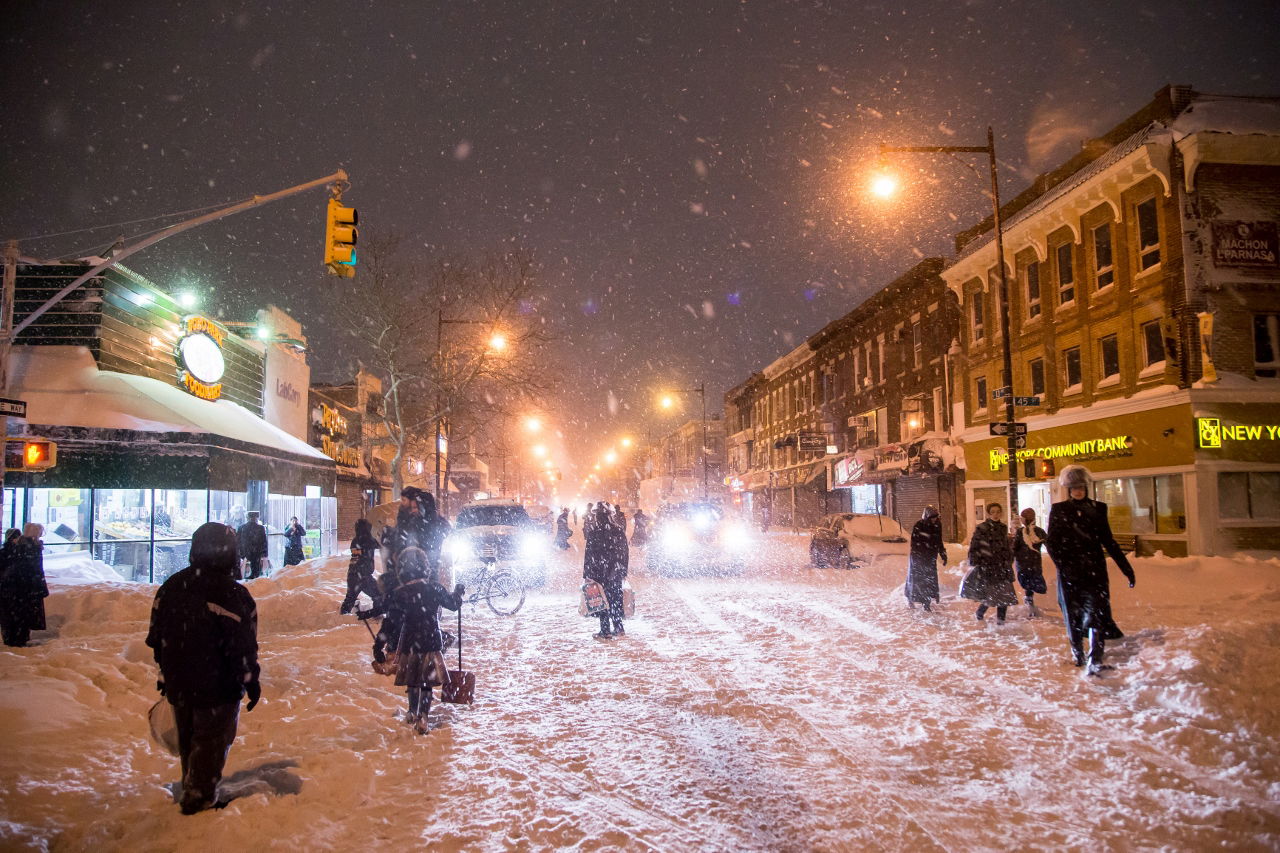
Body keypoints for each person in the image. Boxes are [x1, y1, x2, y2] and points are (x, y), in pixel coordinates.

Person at [145, 522, 260, 815]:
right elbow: (242, 646)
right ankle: (199, 799)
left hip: (179, 683)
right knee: (210, 741)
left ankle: (193, 784)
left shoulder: (171, 587)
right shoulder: (232, 594)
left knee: (189, 738)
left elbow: (156, 637)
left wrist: (166, 672)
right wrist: (250, 679)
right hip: (217, 686)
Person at [1046, 465, 1136, 675]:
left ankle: (1095, 656)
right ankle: (1077, 652)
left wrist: (1126, 568)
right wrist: (1063, 564)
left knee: (1097, 612)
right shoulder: (1060, 510)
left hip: (1094, 569)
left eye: (1081, 486)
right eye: (1074, 487)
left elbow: (1108, 540)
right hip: (1070, 572)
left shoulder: (1098, 508)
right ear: (1068, 489)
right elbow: (1052, 542)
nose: (1078, 491)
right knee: (1073, 612)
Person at [375, 547, 464, 734]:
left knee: (413, 680)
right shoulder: (434, 588)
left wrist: (378, 645)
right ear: (425, 566)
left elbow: (389, 622)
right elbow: (453, 605)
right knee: (426, 682)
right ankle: (423, 716)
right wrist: (458, 592)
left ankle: (411, 711)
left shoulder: (399, 594)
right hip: (430, 641)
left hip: (409, 644)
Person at [961, 503, 1018, 623]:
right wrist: (976, 560)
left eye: (998, 511)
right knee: (990, 594)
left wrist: (1008, 557)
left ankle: (1001, 620)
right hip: (989, 566)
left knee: (1004, 594)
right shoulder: (982, 528)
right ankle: (980, 613)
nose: (996, 514)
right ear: (988, 513)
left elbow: (1006, 545)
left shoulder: (1003, 527)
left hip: (1002, 565)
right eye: (993, 512)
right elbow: (975, 545)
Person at [0, 524, 49, 647]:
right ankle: (18, 638)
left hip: (14, 587)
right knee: (21, 614)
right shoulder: (29, 548)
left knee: (14, 614)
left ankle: (13, 638)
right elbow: (35, 569)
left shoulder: (20, 548)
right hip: (21, 587)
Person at [583, 506, 626, 639]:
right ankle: (618, 627)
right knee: (615, 600)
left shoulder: (594, 532)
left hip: (599, 573)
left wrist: (587, 574)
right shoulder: (618, 530)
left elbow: (589, 555)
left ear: (597, 517)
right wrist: (623, 570)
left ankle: (605, 630)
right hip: (615, 571)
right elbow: (624, 553)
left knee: (601, 601)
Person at [905, 506, 945, 612]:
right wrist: (919, 556)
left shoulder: (937, 525)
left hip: (930, 557)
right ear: (927, 516)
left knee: (929, 580)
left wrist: (943, 553)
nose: (934, 519)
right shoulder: (919, 525)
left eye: (936, 517)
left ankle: (926, 602)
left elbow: (939, 540)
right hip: (918, 558)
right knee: (917, 580)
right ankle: (911, 598)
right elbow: (914, 543)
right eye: (932, 517)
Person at [341, 518, 383, 615]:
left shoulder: (355, 540)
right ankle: (377, 613)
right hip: (363, 576)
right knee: (379, 594)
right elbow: (380, 545)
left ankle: (343, 614)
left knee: (350, 597)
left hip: (352, 574)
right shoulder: (368, 539)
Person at [1013, 507, 1049, 618]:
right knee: (1031, 581)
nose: (1021, 520)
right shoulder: (1038, 531)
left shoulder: (1021, 532)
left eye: (1022, 518)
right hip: (1033, 561)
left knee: (1027, 582)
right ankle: (1030, 601)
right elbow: (1049, 544)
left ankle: (1029, 602)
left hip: (1024, 562)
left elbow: (1014, 547)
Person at [236, 511, 268, 579]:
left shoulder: (242, 527)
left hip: (245, 550)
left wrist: (239, 550)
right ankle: (254, 578)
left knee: (243, 565)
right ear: (256, 518)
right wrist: (264, 552)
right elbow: (263, 541)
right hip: (256, 550)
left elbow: (238, 540)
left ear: (247, 518)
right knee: (255, 568)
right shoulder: (260, 528)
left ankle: (241, 577)